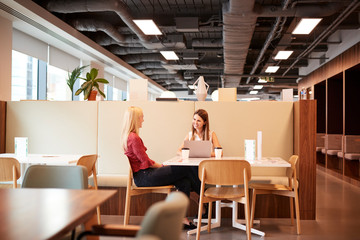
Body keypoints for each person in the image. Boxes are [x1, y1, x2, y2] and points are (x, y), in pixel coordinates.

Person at [120, 106, 199, 230]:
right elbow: (146, 161)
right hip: (144, 177)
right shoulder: (133, 138)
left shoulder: (129, 137)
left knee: (184, 181)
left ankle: (182, 220)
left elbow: (146, 161)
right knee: (185, 168)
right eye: (141, 117)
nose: (143, 120)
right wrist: (163, 166)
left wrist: (162, 166)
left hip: (145, 174)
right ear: (135, 119)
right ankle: (203, 195)